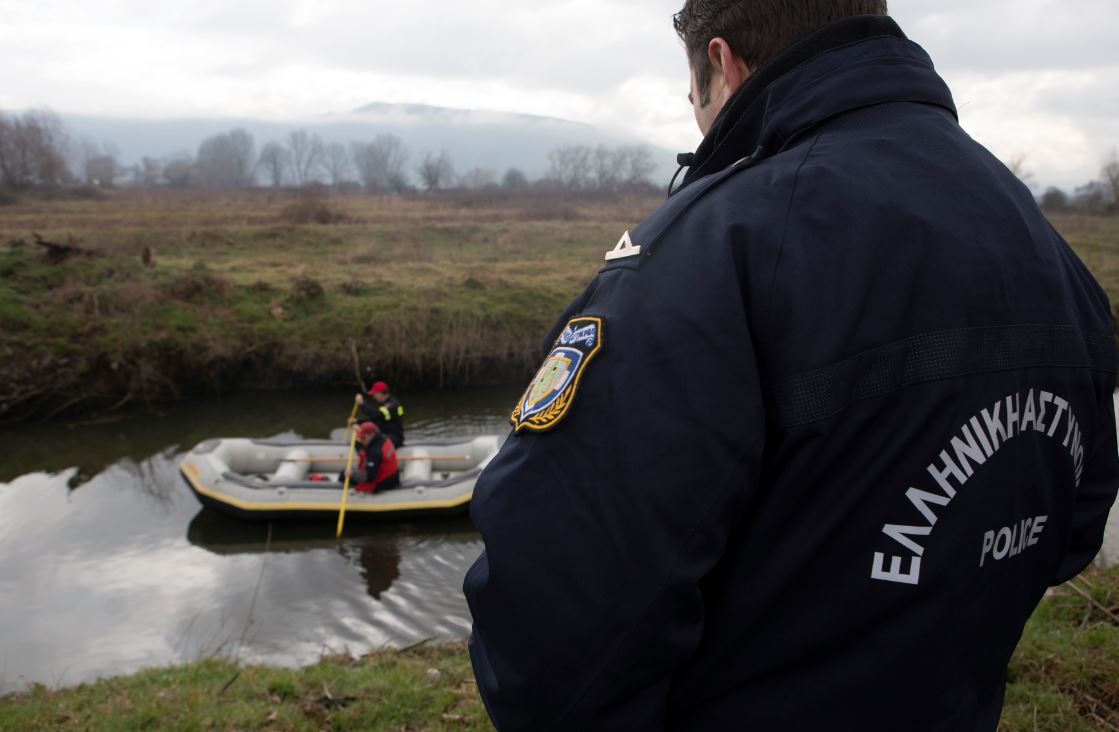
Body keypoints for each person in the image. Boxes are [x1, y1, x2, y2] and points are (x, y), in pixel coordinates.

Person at [463, 2, 1119, 730]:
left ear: (723, 64)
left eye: (692, 96)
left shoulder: (714, 250)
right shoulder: (1039, 236)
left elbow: (556, 620)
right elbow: (1073, 522)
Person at [341, 421, 400, 493]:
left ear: (370, 434)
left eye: (363, 438)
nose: (361, 441)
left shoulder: (375, 452)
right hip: (393, 476)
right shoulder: (385, 439)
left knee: (343, 475)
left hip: (381, 483)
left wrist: (352, 473)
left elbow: (368, 477)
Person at [354, 381, 406, 447]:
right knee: (360, 440)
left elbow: (375, 414)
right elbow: (375, 419)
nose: (373, 397)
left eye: (374, 394)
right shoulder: (383, 404)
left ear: (379, 393)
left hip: (395, 438)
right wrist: (357, 421)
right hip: (386, 436)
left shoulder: (392, 405)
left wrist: (362, 404)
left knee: (369, 440)